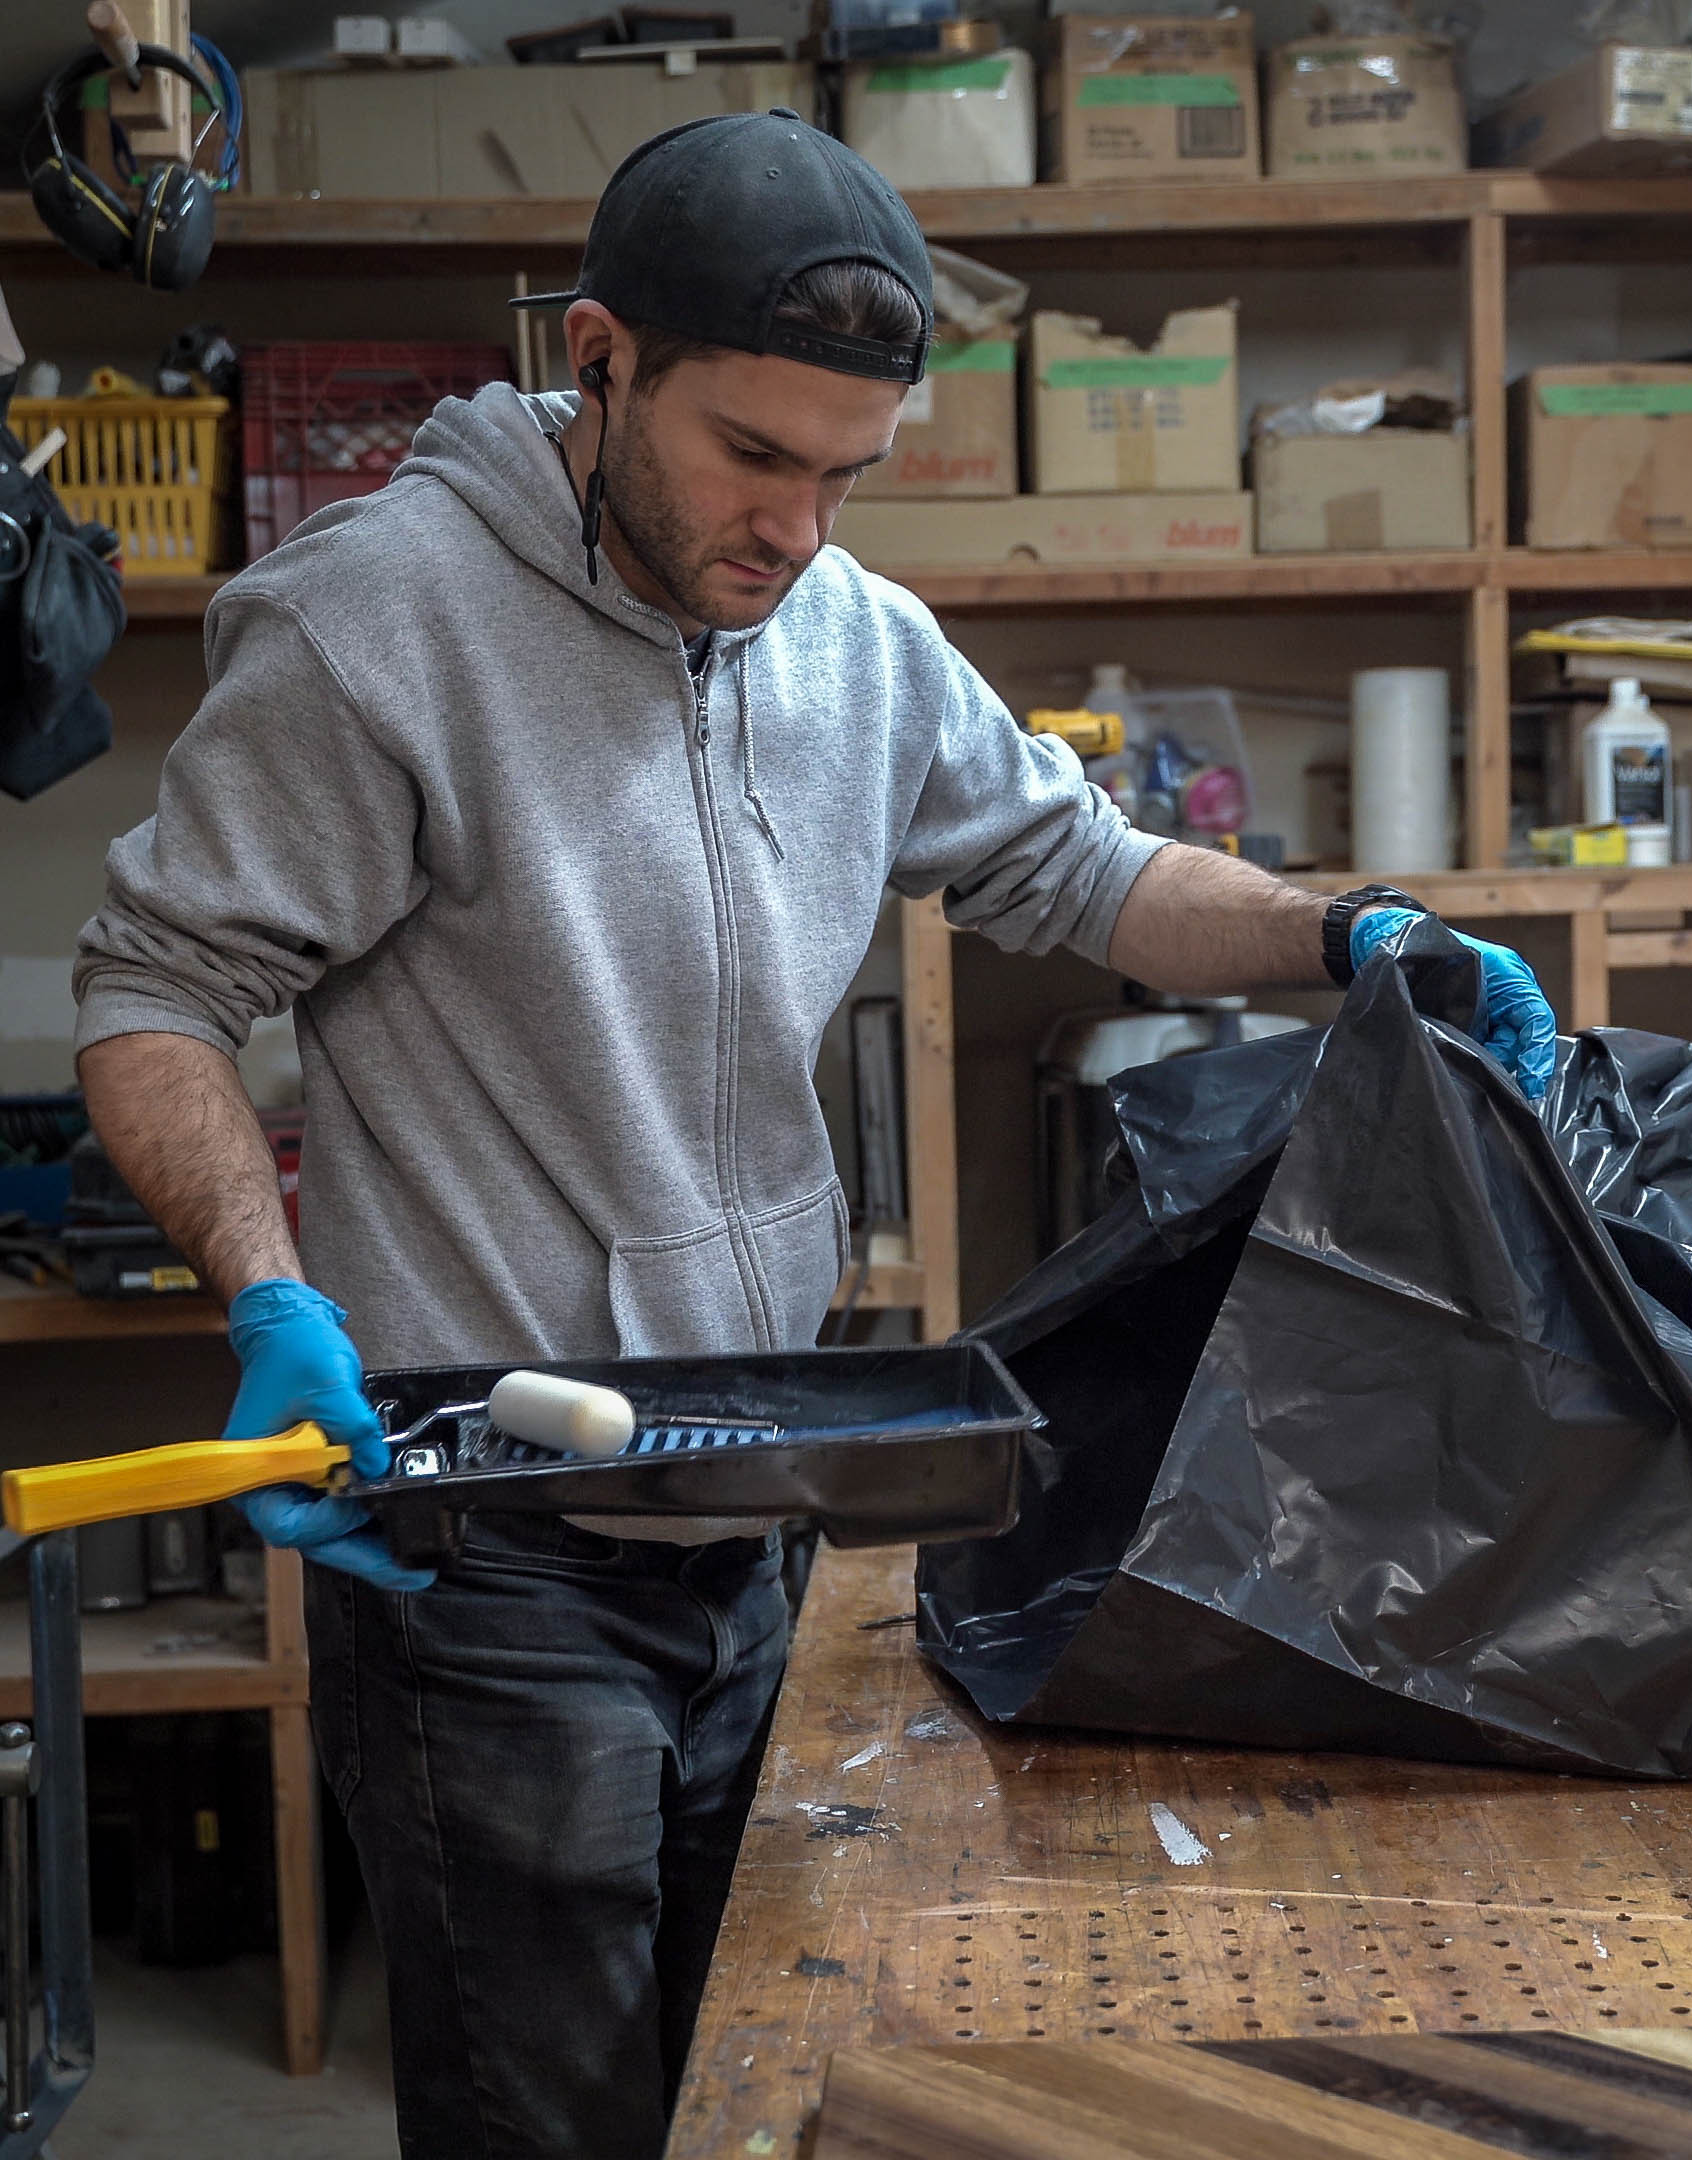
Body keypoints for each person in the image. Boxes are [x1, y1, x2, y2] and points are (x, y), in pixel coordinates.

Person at [71, 113, 1554, 2160]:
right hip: (485, 1551)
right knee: (557, 2121)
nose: (793, 525)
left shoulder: (848, 638)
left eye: (845, 474)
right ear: (597, 362)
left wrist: (1352, 934)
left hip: (751, 1501)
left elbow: (1087, 872)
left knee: (748, 2092)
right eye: (752, 456)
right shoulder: (372, 629)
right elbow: (156, 990)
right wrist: (272, 1299)